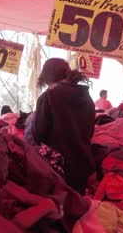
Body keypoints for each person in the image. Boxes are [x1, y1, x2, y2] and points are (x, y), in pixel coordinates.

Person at [32, 58, 96, 194]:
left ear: (47, 78)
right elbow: (89, 133)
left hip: (56, 168)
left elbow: (38, 135)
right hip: (81, 168)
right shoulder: (88, 98)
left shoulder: (48, 97)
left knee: (56, 210)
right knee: (76, 209)